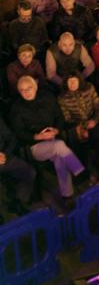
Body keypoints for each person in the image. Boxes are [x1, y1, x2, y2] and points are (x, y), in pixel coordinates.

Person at [11, 75, 85, 205]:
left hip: (54, 137)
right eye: (22, 90)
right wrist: (37, 136)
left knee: (59, 157)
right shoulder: (16, 108)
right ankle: (81, 173)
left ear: (35, 87)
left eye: (29, 88)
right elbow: (19, 133)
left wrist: (57, 130)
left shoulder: (47, 97)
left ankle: (67, 195)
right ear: (19, 92)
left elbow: (60, 117)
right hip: (36, 146)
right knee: (60, 146)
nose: (27, 92)